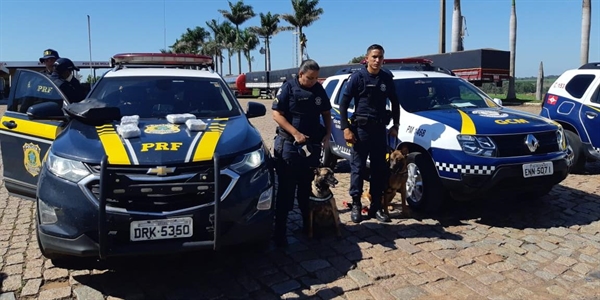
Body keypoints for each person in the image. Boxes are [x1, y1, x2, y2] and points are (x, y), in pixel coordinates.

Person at [272, 59, 332, 247]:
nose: (313, 81)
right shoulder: (288, 88)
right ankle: (280, 234)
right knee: (286, 191)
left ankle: (309, 227)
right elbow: (276, 114)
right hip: (290, 147)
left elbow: (326, 112)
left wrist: (328, 133)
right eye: (309, 78)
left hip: (311, 148)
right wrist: (295, 133)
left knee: (306, 189)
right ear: (300, 75)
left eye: (315, 78)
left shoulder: (318, 90)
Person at [339, 44, 400, 223]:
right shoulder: (358, 77)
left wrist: (396, 125)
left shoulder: (386, 77)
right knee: (357, 168)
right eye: (374, 57)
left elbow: (395, 102)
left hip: (380, 130)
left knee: (379, 169)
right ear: (367, 58)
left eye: (380, 57)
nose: (377, 60)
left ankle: (376, 206)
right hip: (361, 130)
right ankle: (356, 204)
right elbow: (343, 103)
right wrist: (346, 128)